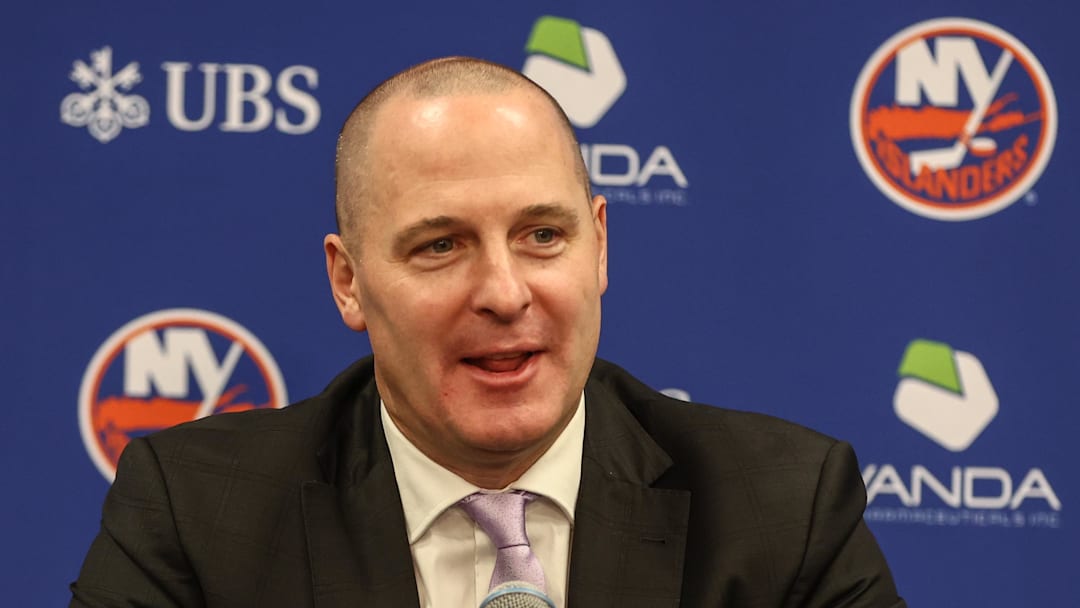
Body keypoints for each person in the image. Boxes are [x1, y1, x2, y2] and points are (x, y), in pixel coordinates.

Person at [70, 57, 906, 607]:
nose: (505, 293)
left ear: (600, 244)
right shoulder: (195, 513)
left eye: (544, 235)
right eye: (441, 245)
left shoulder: (783, 506)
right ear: (348, 281)